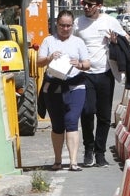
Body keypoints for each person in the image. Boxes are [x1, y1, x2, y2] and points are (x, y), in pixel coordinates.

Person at [74, 0, 127, 167]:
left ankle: (100, 153)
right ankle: (88, 149)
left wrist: (114, 41)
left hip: (105, 73)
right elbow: (70, 42)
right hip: (84, 74)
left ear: (99, 6)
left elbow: (126, 38)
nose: (86, 8)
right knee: (87, 111)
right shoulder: (78, 23)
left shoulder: (109, 21)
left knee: (104, 116)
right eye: (84, 4)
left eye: (90, 5)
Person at [38, 11, 91, 171]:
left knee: (72, 121)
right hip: (54, 87)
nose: (65, 29)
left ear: (72, 25)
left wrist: (79, 64)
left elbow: (88, 64)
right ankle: (58, 160)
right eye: (62, 25)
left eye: (68, 25)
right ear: (57, 24)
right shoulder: (48, 41)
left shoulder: (78, 42)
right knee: (57, 125)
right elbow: (39, 62)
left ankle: (73, 162)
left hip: (75, 86)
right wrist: (49, 58)